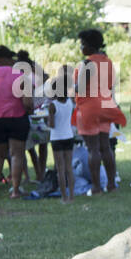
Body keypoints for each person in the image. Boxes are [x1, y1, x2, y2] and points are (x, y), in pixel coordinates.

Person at [74, 28, 119, 194]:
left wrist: (69, 87)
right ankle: (111, 184)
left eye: (82, 44)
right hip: (105, 107)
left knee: (93, 149)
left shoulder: (86, 64)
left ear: (90, 46)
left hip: (89, 109)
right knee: (105, 147)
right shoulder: (108, 62)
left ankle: (96, 186)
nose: (81, 48)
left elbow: (81, 88)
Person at [0, 45, 30, 198]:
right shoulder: (20, 75)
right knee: (17, 155)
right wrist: (29, 110)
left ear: (2, 59)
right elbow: (27, 101)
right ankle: (16, 190)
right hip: (17, 117)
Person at [16, 50, 49, 183]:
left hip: (32, 110)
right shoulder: (29, 68)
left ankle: (35, 174)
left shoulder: (29, 68)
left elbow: (46, 78)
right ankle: (39, 173)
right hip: (36, 110)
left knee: (29, 146)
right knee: (38, 145)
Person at [47, 65, 77, 203]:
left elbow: (52, 124)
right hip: (69, 136)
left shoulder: (53, 105)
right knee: (69, 168)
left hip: (57, 138)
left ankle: (64, 197)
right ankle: (72, 195)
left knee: (60, 169)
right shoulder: (70, 102)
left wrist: (47, 117)